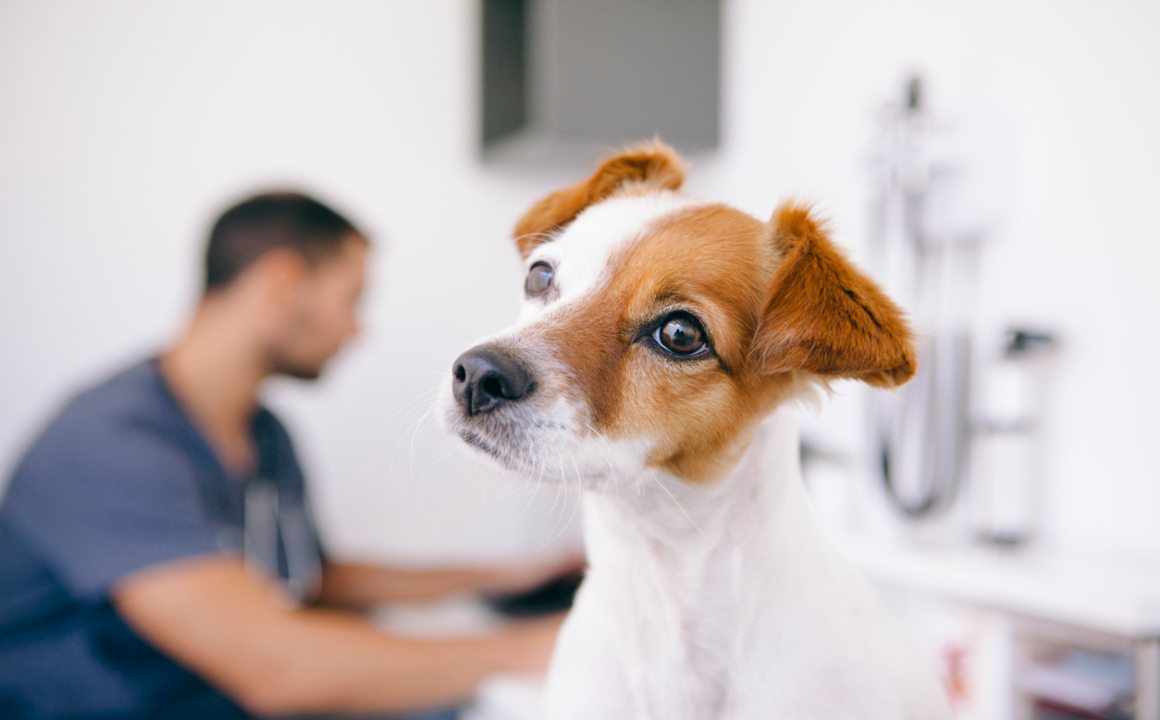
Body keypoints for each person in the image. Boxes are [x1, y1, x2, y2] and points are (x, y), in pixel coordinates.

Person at [0, 192, 572, 720]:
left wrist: (504, 576)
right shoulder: (110, 441)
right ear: (282, 284)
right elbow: (274, 667)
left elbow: (309, 577)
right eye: (352, 300)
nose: (357, 330)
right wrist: (537, 646)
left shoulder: (265, 434)